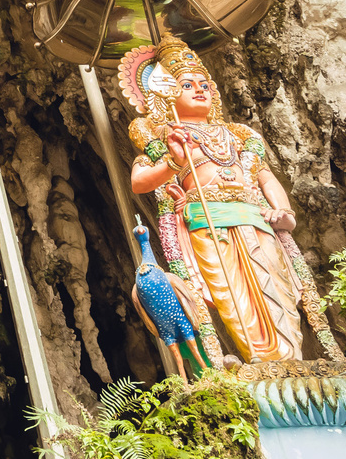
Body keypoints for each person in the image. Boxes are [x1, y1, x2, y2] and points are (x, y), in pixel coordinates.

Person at [122, 37, 334, 363]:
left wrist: (284, 212)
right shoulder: (164, 135)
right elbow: (139, 182)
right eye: (187, 85)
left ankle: (292, 357)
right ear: (166, 94)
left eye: (205, 84)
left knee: (279, 288)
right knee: (233, 293)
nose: (200, 90)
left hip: (255, 216)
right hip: (208, 221)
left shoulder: (237, 134)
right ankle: (263, 360)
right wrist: (174, 162)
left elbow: (265, 178)